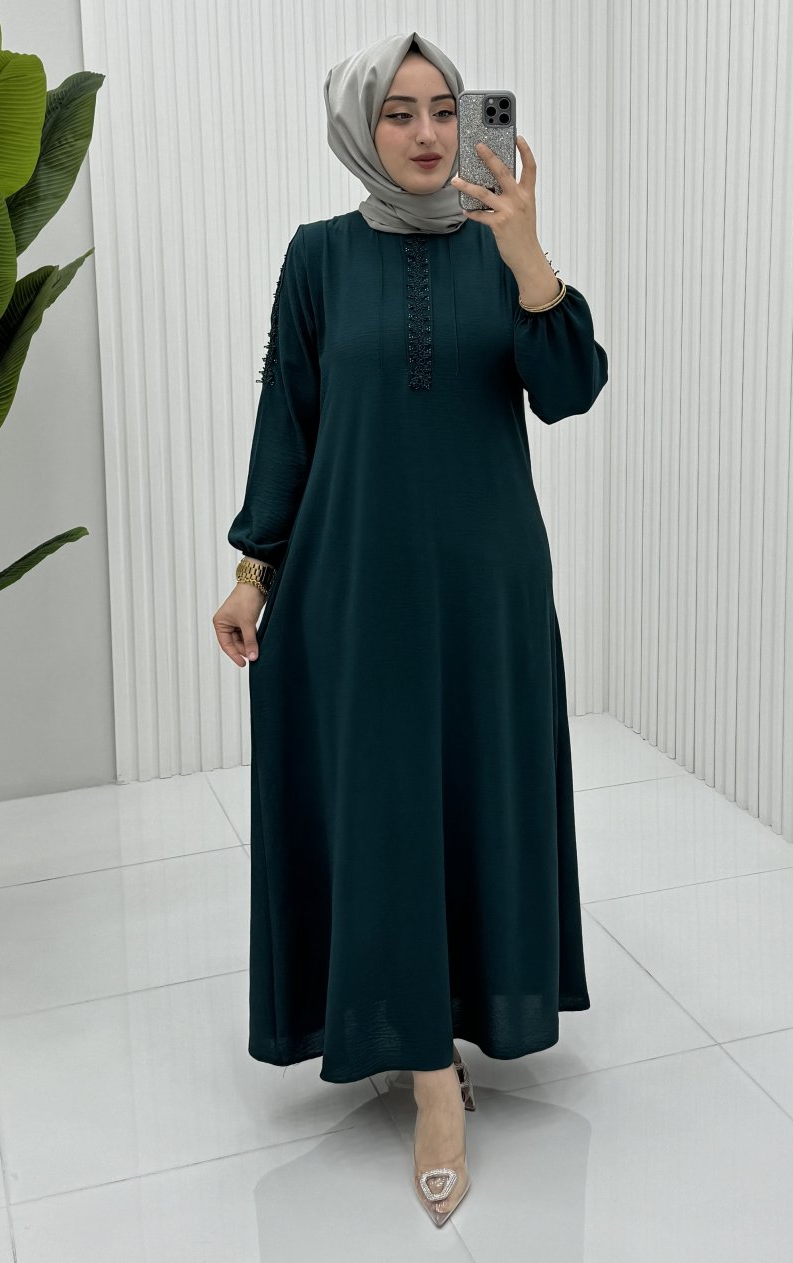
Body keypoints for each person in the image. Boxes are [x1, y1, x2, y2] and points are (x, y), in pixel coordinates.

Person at [212, 30, 608, 1227]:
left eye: (445, 108)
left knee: (477, 795)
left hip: (487, 588)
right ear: (360, 127)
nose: (429, 133)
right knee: (381, 808)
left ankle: (466, 1016)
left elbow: (571, 389)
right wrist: (252, 570)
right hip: (352, 585)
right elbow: (289, 416)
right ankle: (430, 1081)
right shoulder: (318, 256)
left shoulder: (503, 250)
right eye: (400, 112)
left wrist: (529, 256)